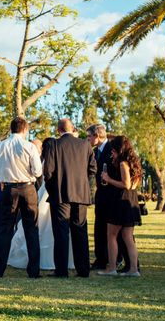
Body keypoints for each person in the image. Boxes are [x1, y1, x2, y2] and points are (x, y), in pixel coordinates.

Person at [0, 117, 42, 278]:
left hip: (9, 189)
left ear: (11, 129)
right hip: (28, 188)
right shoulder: (29, 147)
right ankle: (33, 271)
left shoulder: (0, 146)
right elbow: (38, 172)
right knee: (31, 228)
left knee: (5, 228)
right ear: (25, 130)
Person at [42, 118, 96, 277]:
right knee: (80, 231)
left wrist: (52, 189)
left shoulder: (54, 145)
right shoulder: (85, 145)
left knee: (61, 233)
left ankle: (61, 270)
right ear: (72, 129)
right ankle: (83, 269)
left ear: (58, 130)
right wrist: (83, 183)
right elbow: (93, 168)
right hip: (80, 194)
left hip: (60, 195)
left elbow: (48, 172)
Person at [98, 135, 142, 277]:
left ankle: (112, 268)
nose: (111, 151)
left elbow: (126, 184)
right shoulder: (133, 162)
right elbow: (134, 184)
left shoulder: (123, 163)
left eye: (113, 149)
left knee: (111, 235)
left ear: (118, 148)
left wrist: (108, 179)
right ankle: (134, 269)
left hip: (120, 201)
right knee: (128, 236)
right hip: (131, 200)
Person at [87, 123, 129, 270]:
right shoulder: (94, 151)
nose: (87, 139)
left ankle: (117, 258)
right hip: (101, 195)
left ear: (97, 136)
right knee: (99, 228)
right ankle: (101, 259)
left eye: (89, 136)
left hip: (113, 195)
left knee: (113, 230)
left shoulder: (112, 149)